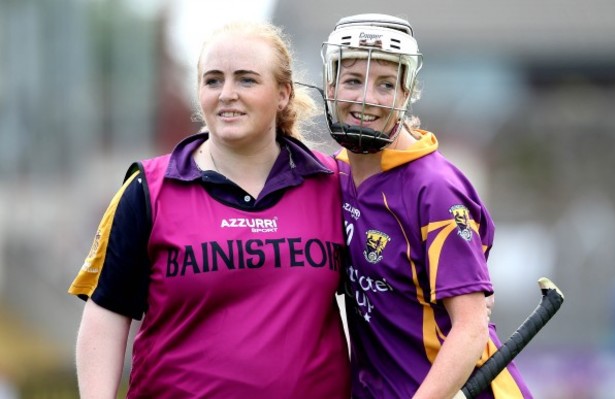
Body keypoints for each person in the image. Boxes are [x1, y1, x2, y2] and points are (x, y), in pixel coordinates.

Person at [68, 21, 351, 399]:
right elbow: (106, 314)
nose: (227, 94)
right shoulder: (147, 190)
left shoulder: (336, 184)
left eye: (246, 80)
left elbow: (388, 297)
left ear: (283, 94)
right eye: (213, 80)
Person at [320, 13, 533, 399]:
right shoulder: (337, 175)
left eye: (385, 85)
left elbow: (469, 329)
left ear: (406, 94)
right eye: (353, 80)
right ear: (331, 86)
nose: (366, 98)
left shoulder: (434, 189)